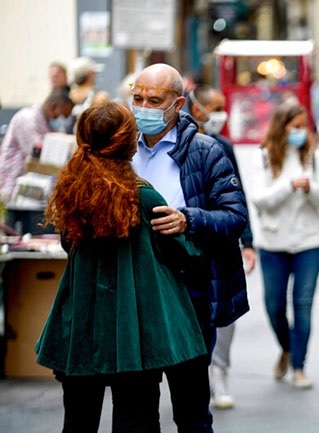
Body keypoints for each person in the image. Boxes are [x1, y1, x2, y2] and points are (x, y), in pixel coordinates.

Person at [35, 102, 207, 433]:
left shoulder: (71, 190)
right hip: (136, 327)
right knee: (137, 419)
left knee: (78, 420)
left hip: (81, 322)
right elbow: (183, 253)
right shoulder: (144, 197)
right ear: (129, 143)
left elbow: (68, 245)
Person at [130, 63, 249, 433]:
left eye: (155, 100)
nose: (144, 107)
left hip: (190, 294)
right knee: (136, 409)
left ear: (178, 103)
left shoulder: (206, 151)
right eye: (138, 98)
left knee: (192, 409)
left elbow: (235, 216)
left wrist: (189, 219)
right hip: (134, 294)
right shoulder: (118, 149)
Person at [250, 102, 319, 389]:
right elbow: (259, 200)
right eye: (295, 127)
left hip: (309, 242)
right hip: (273, 243)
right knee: (273, 305)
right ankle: (286, 349)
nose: (301, 132)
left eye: (304, 127)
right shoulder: (263, 156)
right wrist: (289, 185)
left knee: (302, 304)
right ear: (282, 126)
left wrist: (311, 188)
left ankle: (299, 365)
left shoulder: (313, 157)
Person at [188, 85, 257, 408]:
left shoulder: (222, 146)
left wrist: (248, 242)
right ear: (195, 107)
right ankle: (199, 380)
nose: (219, 114)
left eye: (221, 107)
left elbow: (236, 199)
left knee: (224, 318)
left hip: (221, 247)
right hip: (191, 250)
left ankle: (221, 373)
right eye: (213, 107)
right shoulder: (177, 146)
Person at [0, 89, 74, 201]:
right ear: (54, 106)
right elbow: (35, 151)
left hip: (28, 186)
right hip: (12, 181)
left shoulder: (45, 122)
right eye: (62, 115)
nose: (61, 120)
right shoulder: (27, 118)